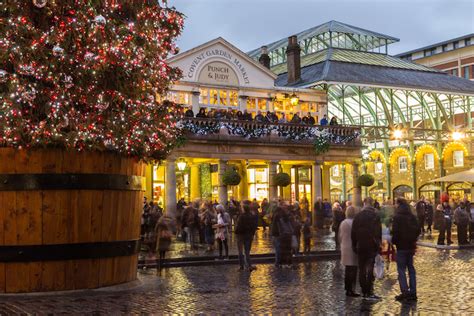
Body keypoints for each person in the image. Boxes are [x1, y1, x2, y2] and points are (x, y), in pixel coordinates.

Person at [351, 203, 382, 301]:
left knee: (362, 269)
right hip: (371, 246)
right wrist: (378, 245)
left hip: (360, 245)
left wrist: (354, 245)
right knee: (369, 269)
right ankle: (369, 291)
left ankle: (364, 291)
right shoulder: (375, 217)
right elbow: (378, 233)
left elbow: (353, 232)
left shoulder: (357, 217)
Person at [392, 198, 420, 302]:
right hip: (410, 246)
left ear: (398, 204)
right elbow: (418, 229)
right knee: (411, 269)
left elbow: (395, 232)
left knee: (401, 270)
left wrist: (395, 241)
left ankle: (405, 292)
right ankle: (413, 292)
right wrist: (413, 239)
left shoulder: (397, 217)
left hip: (401, 247)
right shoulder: (412, 216)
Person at [339, 206, 360, 297]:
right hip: (352, 247)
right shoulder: (355, 223)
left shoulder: (343, 223)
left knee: (348, 269)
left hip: (344, 247)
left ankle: (347, 288)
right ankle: (351, 289)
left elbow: (339, 236)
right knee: (353, 270)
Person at [235, 202, 258, 271]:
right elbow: (254, 226)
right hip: (249, 235)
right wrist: (252, 234)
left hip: (241, 235)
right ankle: (249, 265)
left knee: (240, 251)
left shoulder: (241, 216)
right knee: (247, 251)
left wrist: (236, 232)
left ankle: (241, 266)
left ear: (243, 209)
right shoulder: (251, 216)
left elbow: (238, 226)